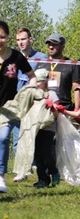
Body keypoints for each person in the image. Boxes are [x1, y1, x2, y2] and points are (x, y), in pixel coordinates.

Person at [0, 20, 35, 192]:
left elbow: (32, 76)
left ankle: (0, 176)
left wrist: (28, 91)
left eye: (2, 37)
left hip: (8, 107)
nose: (0, 40)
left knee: (4, 138)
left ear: (7, 38)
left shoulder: (16, 57)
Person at [12, 27, 43, 159]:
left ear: (30, 39)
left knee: (34, 135)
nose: (21, 42)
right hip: (15, 102)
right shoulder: (11, 57)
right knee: (17, 135)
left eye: (23, 39)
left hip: (34, 103)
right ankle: (20, 168)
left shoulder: (42, 58)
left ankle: (35, 164)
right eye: (18, 40)